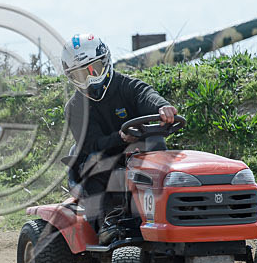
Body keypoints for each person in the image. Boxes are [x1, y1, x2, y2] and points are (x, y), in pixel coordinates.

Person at [61, 34, 177, 244]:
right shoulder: (75, 107)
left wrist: (162, 107)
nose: (89, 78)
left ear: (105, 62)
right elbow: (91, 144)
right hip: (99, 158)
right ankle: (109, 221)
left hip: (137, 155)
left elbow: (145, 94)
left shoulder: (125, 86)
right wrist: (120, 137)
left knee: (157, 145)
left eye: (93, 69)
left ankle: (169, 212)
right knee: (98, 163)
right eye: (80, 75)